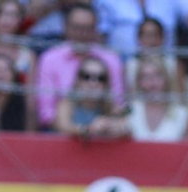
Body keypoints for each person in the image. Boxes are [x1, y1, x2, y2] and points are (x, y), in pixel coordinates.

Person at [34, 2, 122, 130]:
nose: (82, 33)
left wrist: (106, 125)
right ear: (65, 27)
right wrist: (78, 129)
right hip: (59, 135)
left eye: (87, 28)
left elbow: (118, 104)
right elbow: (46, 113)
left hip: (104, 136)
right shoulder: (49, 59)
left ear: (96, 29)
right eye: (76, 28)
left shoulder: (111, 60)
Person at [54, 54, 125, 139]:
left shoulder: (110, 106)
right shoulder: (67, 103)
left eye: (100, 78)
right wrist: (89, 129)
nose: (93, 83)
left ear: (106, 83)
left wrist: (114, 127)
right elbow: (63, 127)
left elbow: (126, 127)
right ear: (78, 80)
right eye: (86, 77)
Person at [125, 56, 188, 141]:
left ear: (166, 79)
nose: (152, 81)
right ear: (138, 82)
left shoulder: (182, 113)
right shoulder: (129, 111)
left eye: (158, 75)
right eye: (145, 76)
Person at [0, 0, 33, 84]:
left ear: (20, 20)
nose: (7, 20)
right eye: (1, 13)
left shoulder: (27, 55)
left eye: (13, 15)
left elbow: (29, 94)